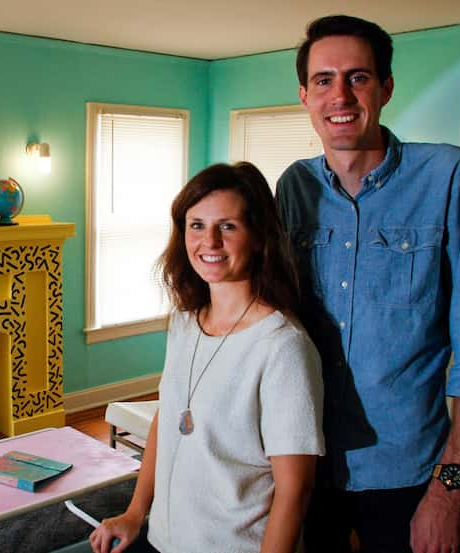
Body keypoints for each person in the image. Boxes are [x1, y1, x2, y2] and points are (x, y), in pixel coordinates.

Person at [275, 15, 460, 553]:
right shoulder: (294, 185)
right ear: (305, 96)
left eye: (358, 77)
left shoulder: (452, 178)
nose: (340, 95)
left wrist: (449, 493)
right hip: (304, 464)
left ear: (385, 88)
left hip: (408, 474)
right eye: (323, 80)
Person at [90, 162, 325, 553]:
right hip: (166, 541)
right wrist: (135, 513)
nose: (209, 242)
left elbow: (294, 489)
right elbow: (168, 419)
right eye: (196, 225)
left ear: (258, 237)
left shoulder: (282, 347)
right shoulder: (185, 322)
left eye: (227, 226)